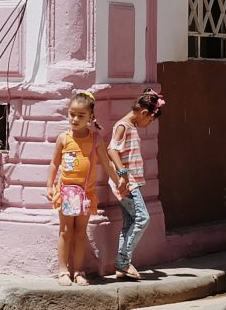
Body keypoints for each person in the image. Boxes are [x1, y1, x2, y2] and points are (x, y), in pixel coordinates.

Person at [46, 90, 127, 286]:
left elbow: (106, 164)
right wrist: (49, 185)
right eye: (72, 114)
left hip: (84, 194)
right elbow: (54, 164)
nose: (75, 119)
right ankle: (63, 270)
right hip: (65, 192)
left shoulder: (95, 139)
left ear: (91, 117)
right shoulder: (63, 139)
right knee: (65, 231)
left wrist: (118, 181)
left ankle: (79, 271)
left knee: (81, 232)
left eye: (81, 115)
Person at [107, 88, 165, 280]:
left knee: (129, 223)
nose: (148, 124)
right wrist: (122, 174)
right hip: (126, 183)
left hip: (131, 182)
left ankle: (122, 265)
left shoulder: (130, 127)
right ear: (143, 113)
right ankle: (123, 261)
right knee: (142, 218)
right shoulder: (123, 126)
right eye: (149, 120)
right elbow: (112, 150)